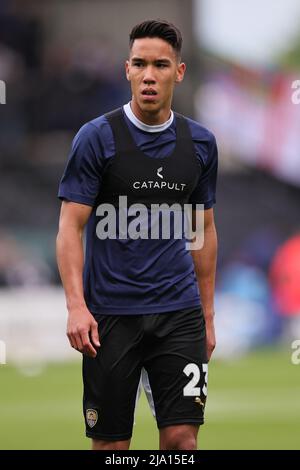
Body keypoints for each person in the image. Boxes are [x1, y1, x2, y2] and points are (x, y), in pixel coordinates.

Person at [56, 19, 218, 451]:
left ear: (178, 72)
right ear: (126, 69)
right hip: (111, 317)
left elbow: (202, 230)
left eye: (161, 65)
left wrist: (207, 315)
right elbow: (70, 227)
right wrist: (76, 307)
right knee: (112, 448)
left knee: (183, 442)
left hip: (179, 315)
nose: (150, 75)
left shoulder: (200, 144)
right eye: (141, 64)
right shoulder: (95, 138)